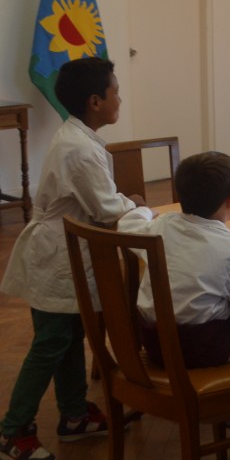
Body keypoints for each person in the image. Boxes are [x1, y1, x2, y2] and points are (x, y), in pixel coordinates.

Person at [1, 57, 152, 460]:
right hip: (55, 258)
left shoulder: (79, 137)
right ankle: (13, 432)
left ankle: (72, 416)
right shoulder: (80, 149)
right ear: (95, 101)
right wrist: (135, 203)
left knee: (70, 337)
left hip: (64, 251)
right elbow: (105, 208)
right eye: (115, 91)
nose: (120, 97)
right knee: (51, 342)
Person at [116, 152, 230, 367]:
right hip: (201, 348)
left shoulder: (160, 225)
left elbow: (126, 225)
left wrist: (144, 209)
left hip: (154, 343)